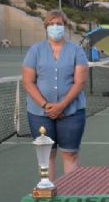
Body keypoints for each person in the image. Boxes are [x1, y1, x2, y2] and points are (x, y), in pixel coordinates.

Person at [22, 10, 89, 181]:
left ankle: (71, 197)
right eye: (51, 24)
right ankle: (48, 193)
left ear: (65, 26)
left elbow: (79, 82)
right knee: (46, 156)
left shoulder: (77, 51)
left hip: (72, 112)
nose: (55, 27)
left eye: (59, 24)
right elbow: (28, 81)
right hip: (39, 114)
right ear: (46, 27)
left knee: (70, 155)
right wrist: (45, 105)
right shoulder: (35, 50)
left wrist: (61, 105)